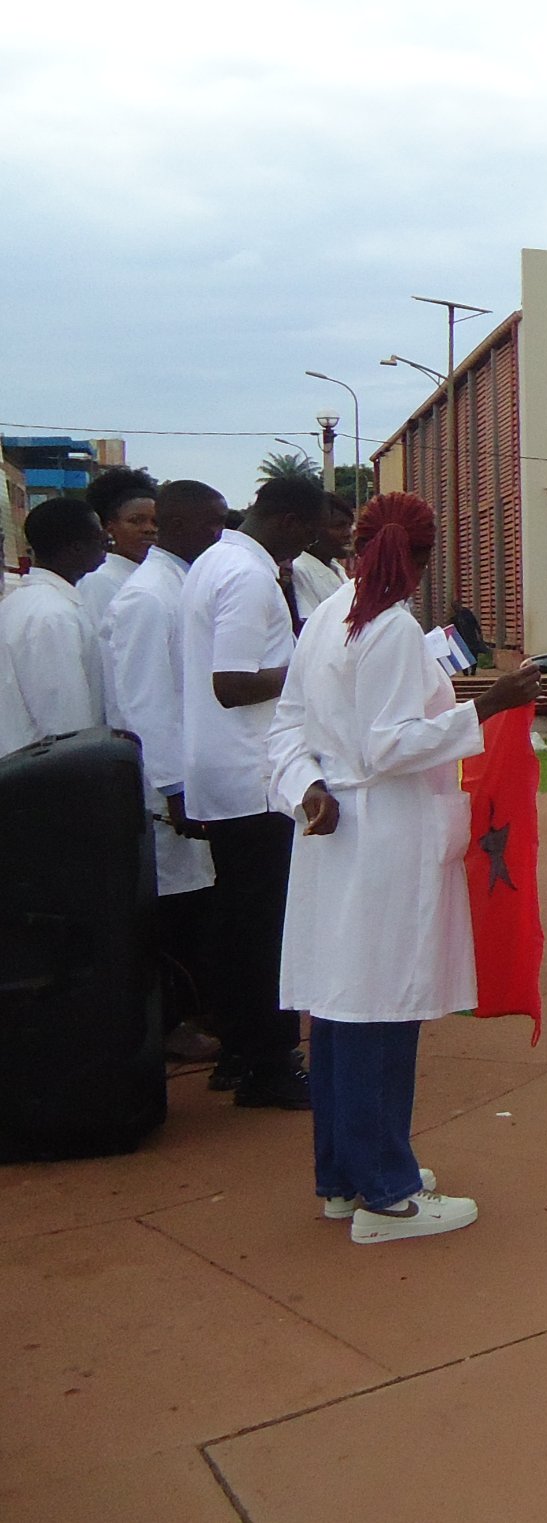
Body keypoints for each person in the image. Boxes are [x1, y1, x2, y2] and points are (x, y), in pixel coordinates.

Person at [269, 494, 540, 1243]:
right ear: (422, 558)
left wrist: (305, 787)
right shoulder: (387, 627)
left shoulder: (329, 616)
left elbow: (287, 724)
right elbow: (388, 746)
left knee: (340, 1007)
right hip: (385, 835)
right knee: (381, 1011)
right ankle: (387, 1194)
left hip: (338, 832)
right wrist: (487, 707)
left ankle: (343, 1177)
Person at [183, 472, 327, 1109]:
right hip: (252, 774)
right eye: (310, 533)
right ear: (290, 522)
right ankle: (270, 1064)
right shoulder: (246, 575)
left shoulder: (215, 561)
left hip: (230, 768)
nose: (309, 547)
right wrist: (307, 668)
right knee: (265, 927)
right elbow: (233, 683)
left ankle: (242, 1053)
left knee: (239, 921)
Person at [98, 480, 224, 1032]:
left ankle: (203, 1017)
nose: (220, 535)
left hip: (194, 776)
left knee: (200, 905)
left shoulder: (183, 583)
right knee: (176, 911)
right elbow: (145, 702)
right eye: (211, 524)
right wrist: (174, 788)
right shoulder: (148, 596)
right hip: (166, 789)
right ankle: (176, 1026)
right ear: (177, 525)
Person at [0, 496, 109, 755]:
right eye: (100, 538)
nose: (107, 543)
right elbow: (64, 716)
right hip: (47, 768)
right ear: (76, 547)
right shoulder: (53, 614)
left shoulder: (23, 601)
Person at [78, 467, 156, 630]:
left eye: (156, 522)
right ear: (110, 527)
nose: (149, 529)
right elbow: (99, 640)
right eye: (136, 521)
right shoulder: (100, 580)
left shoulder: (157, 574)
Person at [287, 493, 357, 610]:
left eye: (349, 525)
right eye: (338, 526)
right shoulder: (299, 570)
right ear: (313, 528)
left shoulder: (336, 568)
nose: (348, 533)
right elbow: (310, 618)